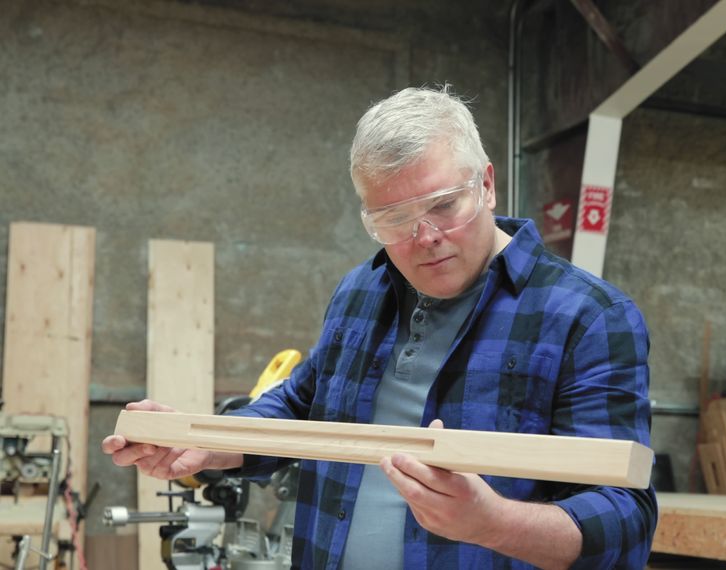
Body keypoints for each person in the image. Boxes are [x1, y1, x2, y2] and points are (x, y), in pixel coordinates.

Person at [103, 85, 656, 569]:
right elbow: (302, 404)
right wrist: (210, 444)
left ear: (486, 185)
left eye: (443, 205)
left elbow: (623, 522)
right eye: (392, 219)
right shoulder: (360, 292)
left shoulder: (587, 317)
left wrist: (489, 522)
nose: (424, 237)